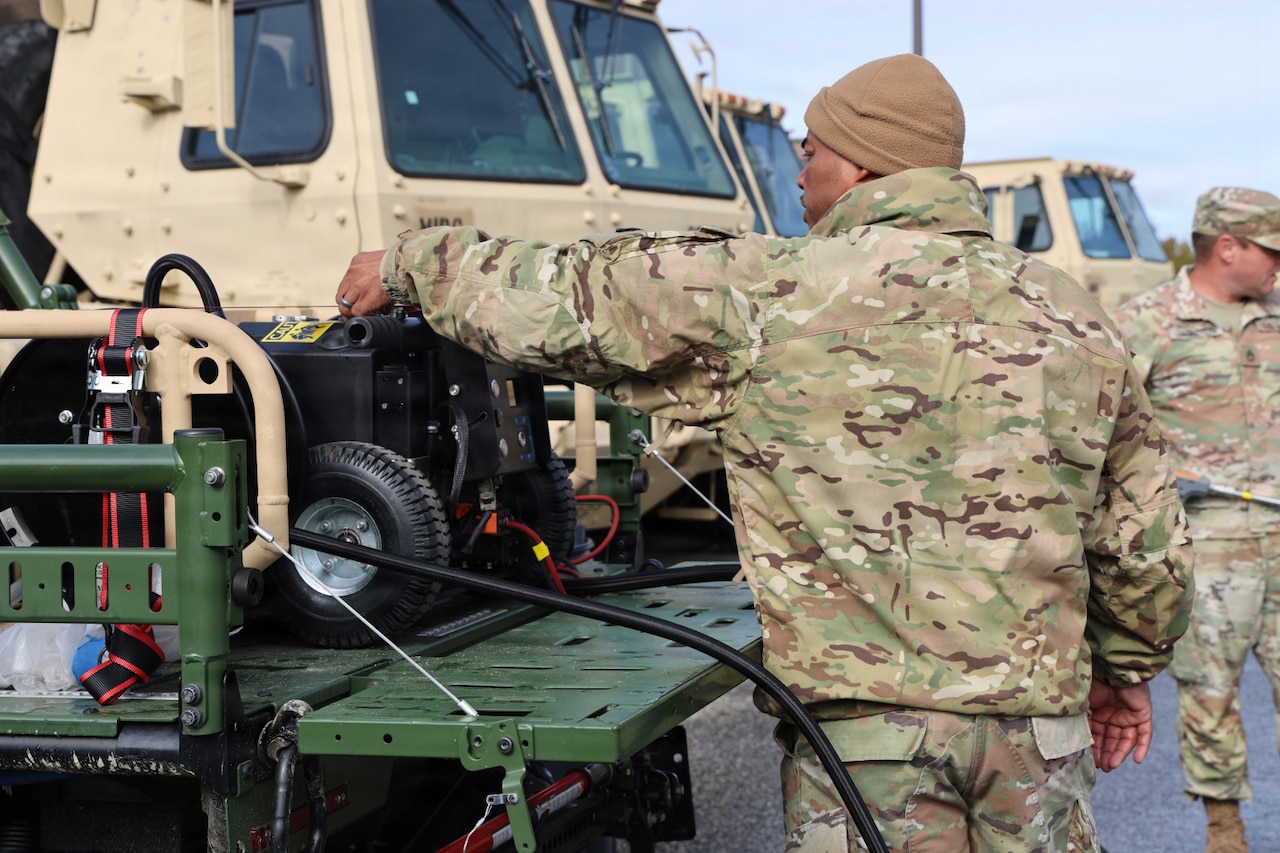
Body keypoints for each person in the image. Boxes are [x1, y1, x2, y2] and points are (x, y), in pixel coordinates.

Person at [336, 54, 1194, 852]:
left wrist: (414, 263)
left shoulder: (769, 293)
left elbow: (571, 297)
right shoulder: (1074, 314)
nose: (798, 171)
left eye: (813, 150)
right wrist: (1123, 669)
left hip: (863, 741)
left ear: (862, 164)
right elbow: (1142, 541)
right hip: (1035, 738)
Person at [1111, 187, 1280, 853]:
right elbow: (1112, 433)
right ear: (1228, 247)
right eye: (1273, 248)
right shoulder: (1145, 323)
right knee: (1209, 696)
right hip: (1207, 545)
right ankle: (1225, 832)